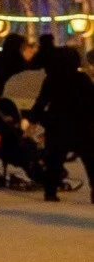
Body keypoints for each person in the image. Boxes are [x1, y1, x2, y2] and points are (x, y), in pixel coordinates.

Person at [36, 44, 94, 202]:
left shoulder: (51, 80)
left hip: (57, 125)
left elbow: (41, 103)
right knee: (90, 161)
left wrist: (42, 120)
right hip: (83, 126)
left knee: (54, 160)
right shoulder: (82, 79)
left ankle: (50, 191)